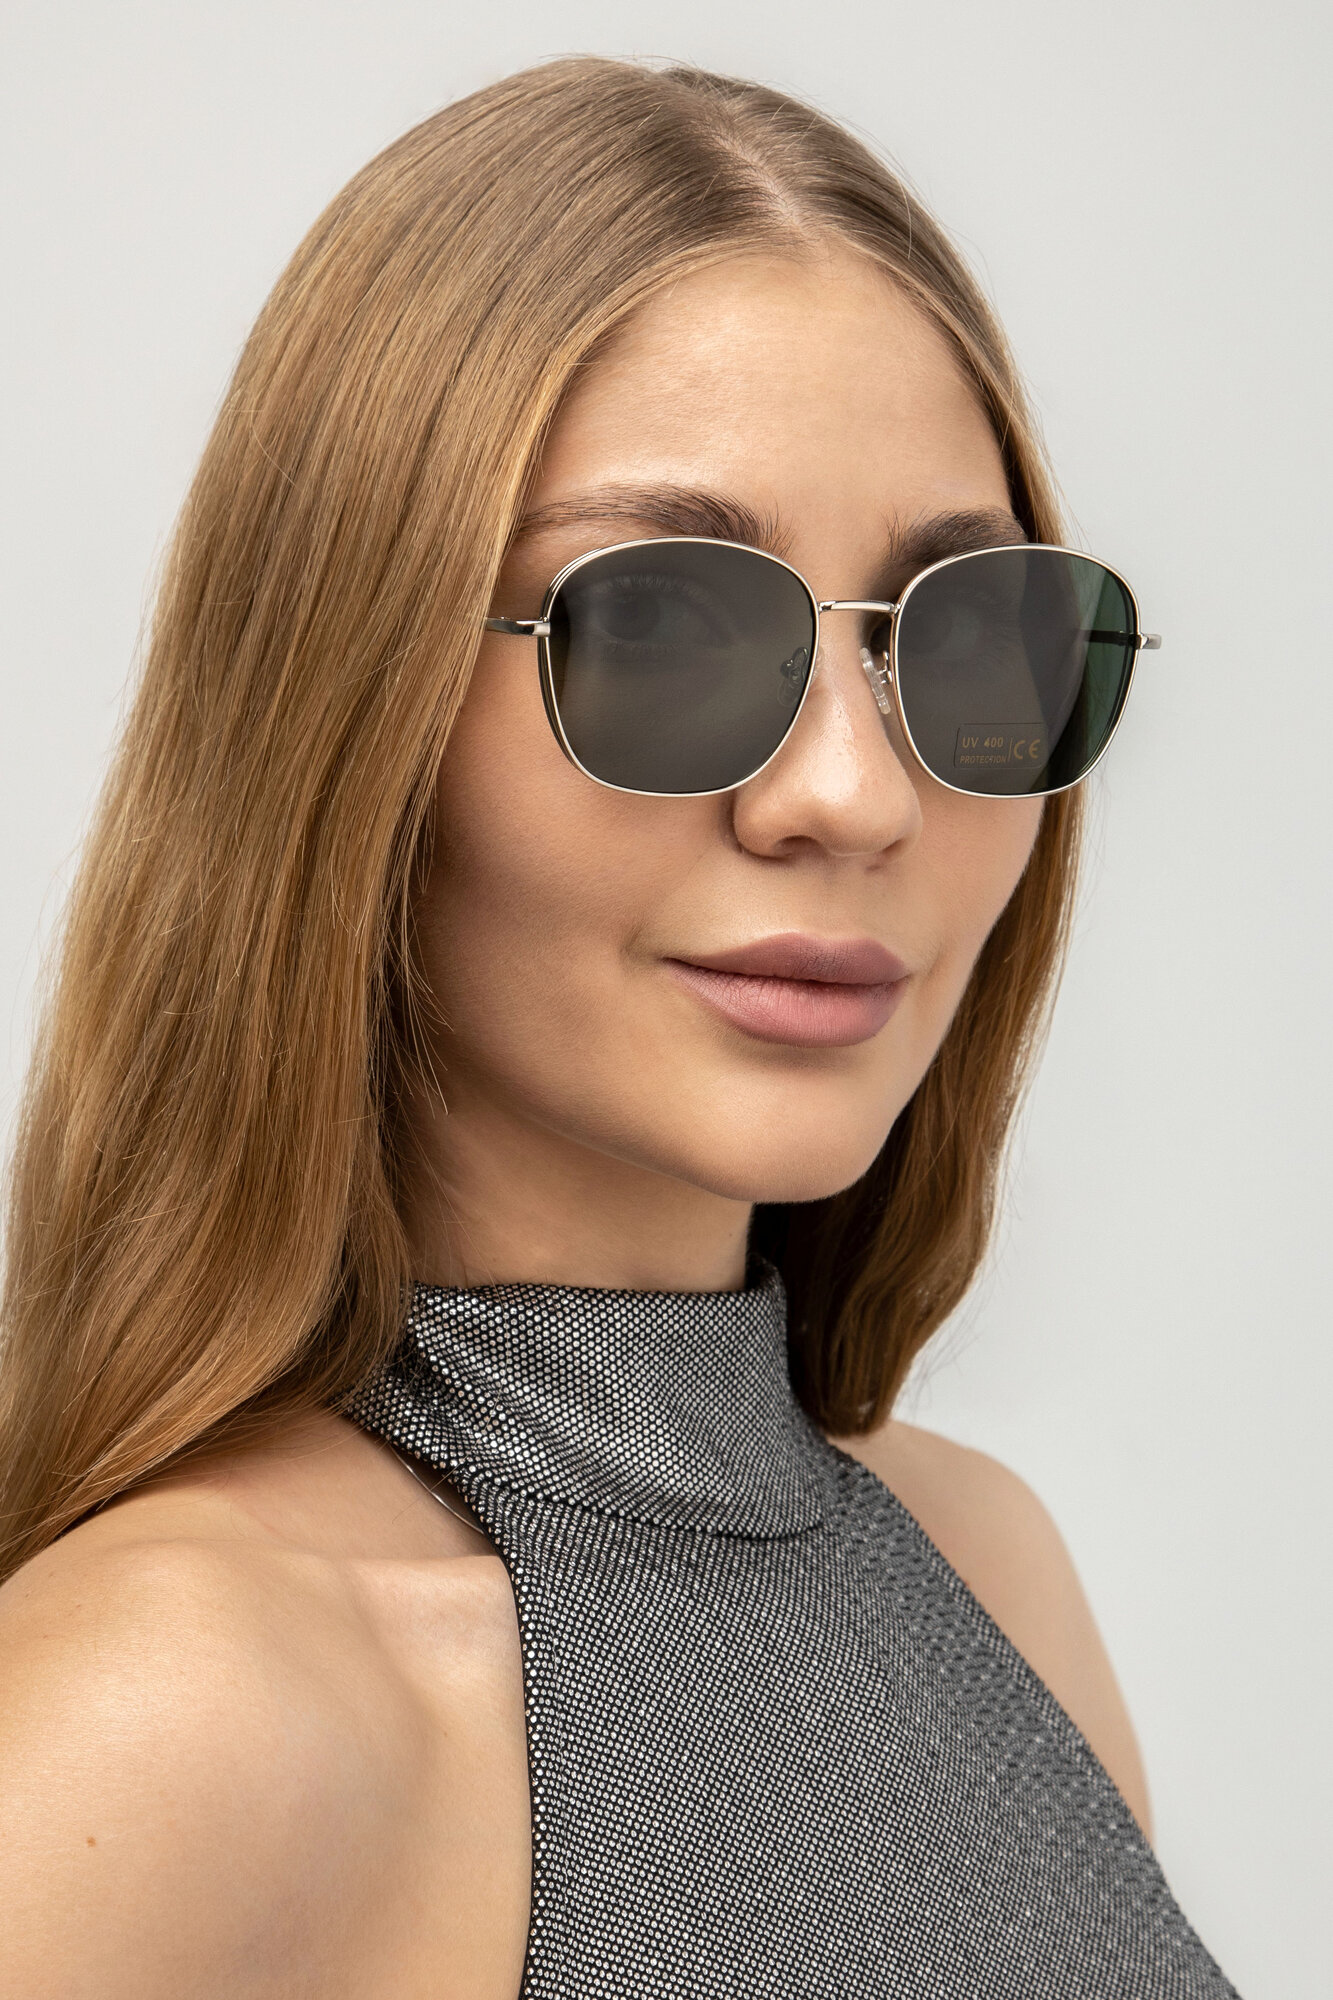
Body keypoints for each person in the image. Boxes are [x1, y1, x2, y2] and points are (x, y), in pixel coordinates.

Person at [0, 56, 1236, 1999]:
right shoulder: (181, 1710)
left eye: (957, 634)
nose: (853, 795)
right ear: (341, 703)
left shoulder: (987, 1568)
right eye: (655, 626)